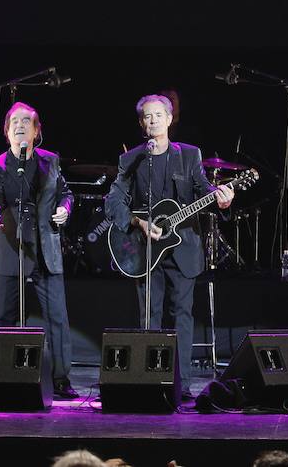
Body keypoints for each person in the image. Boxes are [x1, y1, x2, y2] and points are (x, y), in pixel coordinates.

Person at [105, 94, 233, 387]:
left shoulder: (189, 155)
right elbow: (113, 201)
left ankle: (182, 383)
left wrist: (221, 200)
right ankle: (150, 379)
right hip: (145, 248)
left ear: (169, 118)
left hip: (183, 246)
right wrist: (137, 222)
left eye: (158, 115)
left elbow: (204, 189)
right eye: (147, 117)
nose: (153, 121)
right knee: (150, 314)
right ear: (141, 122)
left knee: (182, 314)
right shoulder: (132, 158)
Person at [0, 101, 78, 399]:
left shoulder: (50, 161)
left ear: (37, 131)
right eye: (15, 122)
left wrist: (65, 207)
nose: (20, 126)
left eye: (27, 122)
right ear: (7, 130)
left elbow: (65, 192)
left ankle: (61, 379)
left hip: (46, 248)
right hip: (11, 247)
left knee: (57, 318)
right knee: (3, 317)